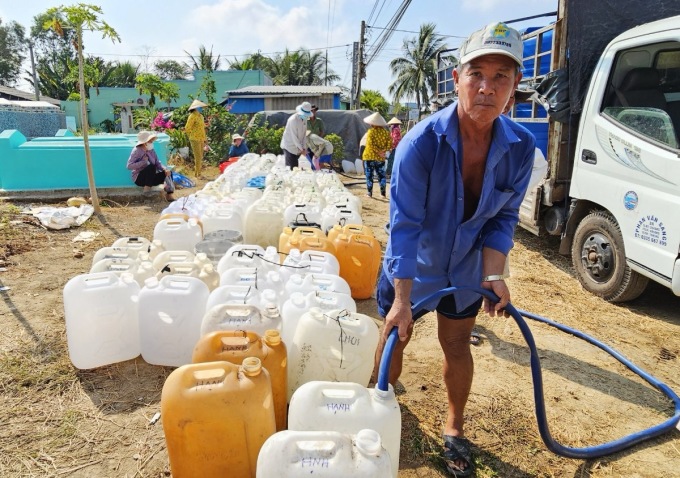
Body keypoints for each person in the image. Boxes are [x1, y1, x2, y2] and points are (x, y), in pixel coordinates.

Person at [374, 22, 535, 477]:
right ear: (457, 78)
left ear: (515, 84)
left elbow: (503, 219)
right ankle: (383, 398)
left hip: (465, 271)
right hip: (414, 265)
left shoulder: (521, 147)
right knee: (395, 335)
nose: (487, 86)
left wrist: (493, 273)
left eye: (500, 76)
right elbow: (403, 225)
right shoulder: (420, 143)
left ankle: (454, 429)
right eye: (476, 73)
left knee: (457, 345)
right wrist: (402, 300)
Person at [126, 131, 175, 201]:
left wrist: (164, 169)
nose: (151, 142)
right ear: (144, 142)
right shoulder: (137, 151)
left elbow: (157, 163)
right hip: (140, 178)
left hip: (151, 177)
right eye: (150, 141)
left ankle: (169, 194)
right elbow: (129, 166)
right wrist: (143, 162)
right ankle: (147, 189)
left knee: (168, 172)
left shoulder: (151, 150)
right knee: (151, 167)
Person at [361, 111, 391, 198]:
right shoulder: (386, 133)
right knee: (381, 175)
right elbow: (389, 145)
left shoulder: (371, 131)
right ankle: (383, 194)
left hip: (369, 156)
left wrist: (378, 151)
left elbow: (370, 144)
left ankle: (369, 193)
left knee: (369, 175)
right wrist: (382, 152)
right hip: (380, 158)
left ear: (372, 123)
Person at [280, 101, 312, 169]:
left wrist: (304, 147)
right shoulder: (293, 120)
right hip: (289, 146)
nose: (306, 117)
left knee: (295, 167)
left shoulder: (304, 119)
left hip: (297, 147)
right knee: (291, 168)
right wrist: (302, 149)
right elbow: (294, 137)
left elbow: (304, 135)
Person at [185, 99, 207, 178]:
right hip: (194, 139)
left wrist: (205, 139)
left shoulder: (201, 116)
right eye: (200, 107)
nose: (201, 108)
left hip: (201, 138)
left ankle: (198, 173)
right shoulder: (192, 116)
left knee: (200, 156)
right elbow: (187, 128)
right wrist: (192, 135)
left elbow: (202, 128)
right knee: (197, 157)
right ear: (196, 108)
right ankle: (198, 174)